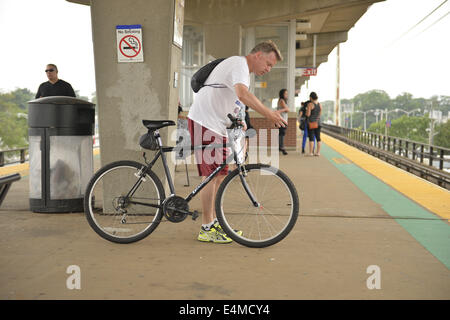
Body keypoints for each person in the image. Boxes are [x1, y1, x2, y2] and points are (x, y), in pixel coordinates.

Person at [187, 40, 286, 244]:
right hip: (206, 122)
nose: (268, 69)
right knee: (210, 176)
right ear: (258, 55)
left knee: (219, 176)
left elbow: (236, 99)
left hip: (217, 126)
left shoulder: (242, 72)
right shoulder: (239, 64)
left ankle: (213, 222)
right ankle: (207, 227)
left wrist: (239, 121)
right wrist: (269, 113)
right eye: (268, 64)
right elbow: (242, 94)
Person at [305, 92, 322, 156]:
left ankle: (311, 152)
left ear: (311, 97)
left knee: (311, 138)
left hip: (311, 123)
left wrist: (307, 111)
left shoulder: (310, 104)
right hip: (318, 123)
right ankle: (318, 152)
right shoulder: (320, 104)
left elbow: (308, 114)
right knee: (318, 138)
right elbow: (320, 114)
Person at [277, 89, 289, 155]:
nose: (287, 95)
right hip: (282, 120)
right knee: (282, 133)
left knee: (281, 133)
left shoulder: (283, 101)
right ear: (282, 94)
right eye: (285, 94)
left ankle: (281, 146)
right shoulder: (281, 100)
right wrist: (286, 109)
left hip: (282, 119)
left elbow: (287, 109)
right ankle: (281, 147)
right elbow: (287, 110)